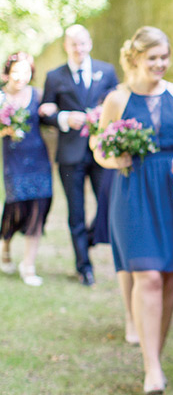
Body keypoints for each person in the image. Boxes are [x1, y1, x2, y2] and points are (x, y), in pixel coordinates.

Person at [94, 27, 173, 395]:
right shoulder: (117, 99)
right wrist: (111, 156)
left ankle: (157, 352)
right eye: (152, 58)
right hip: (133, 190)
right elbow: (98, 146)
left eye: (164, 57)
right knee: (147, 276)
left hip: (172, 193)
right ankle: (151, 366)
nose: (160, 64)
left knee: (168, 277)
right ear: (135, 58)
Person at [40, 24, 118, 285]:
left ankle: (88, 239)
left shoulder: (106, 71)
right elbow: (45, 113)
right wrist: (63, 117)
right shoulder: (54, 76)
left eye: (83, 43)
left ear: (90, 44)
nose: (79, 48)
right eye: (74, 44)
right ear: (66, 46)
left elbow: (117, 104)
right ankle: (84, 266)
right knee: (76, 212)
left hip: (100, 151)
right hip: (70, 154)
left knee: (107, 202)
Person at [0, 52, 53, 286]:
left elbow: (51, 119)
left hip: (38, 157)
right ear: (8, 72)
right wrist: (5, 131)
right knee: (16, 206)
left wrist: (51, 110)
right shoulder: (1, 97)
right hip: (13, 160)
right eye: (16, 71)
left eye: (26, 71)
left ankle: (28, 265)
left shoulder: (38, 95)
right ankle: (5, 245)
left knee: (38, 207)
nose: (21, 76)